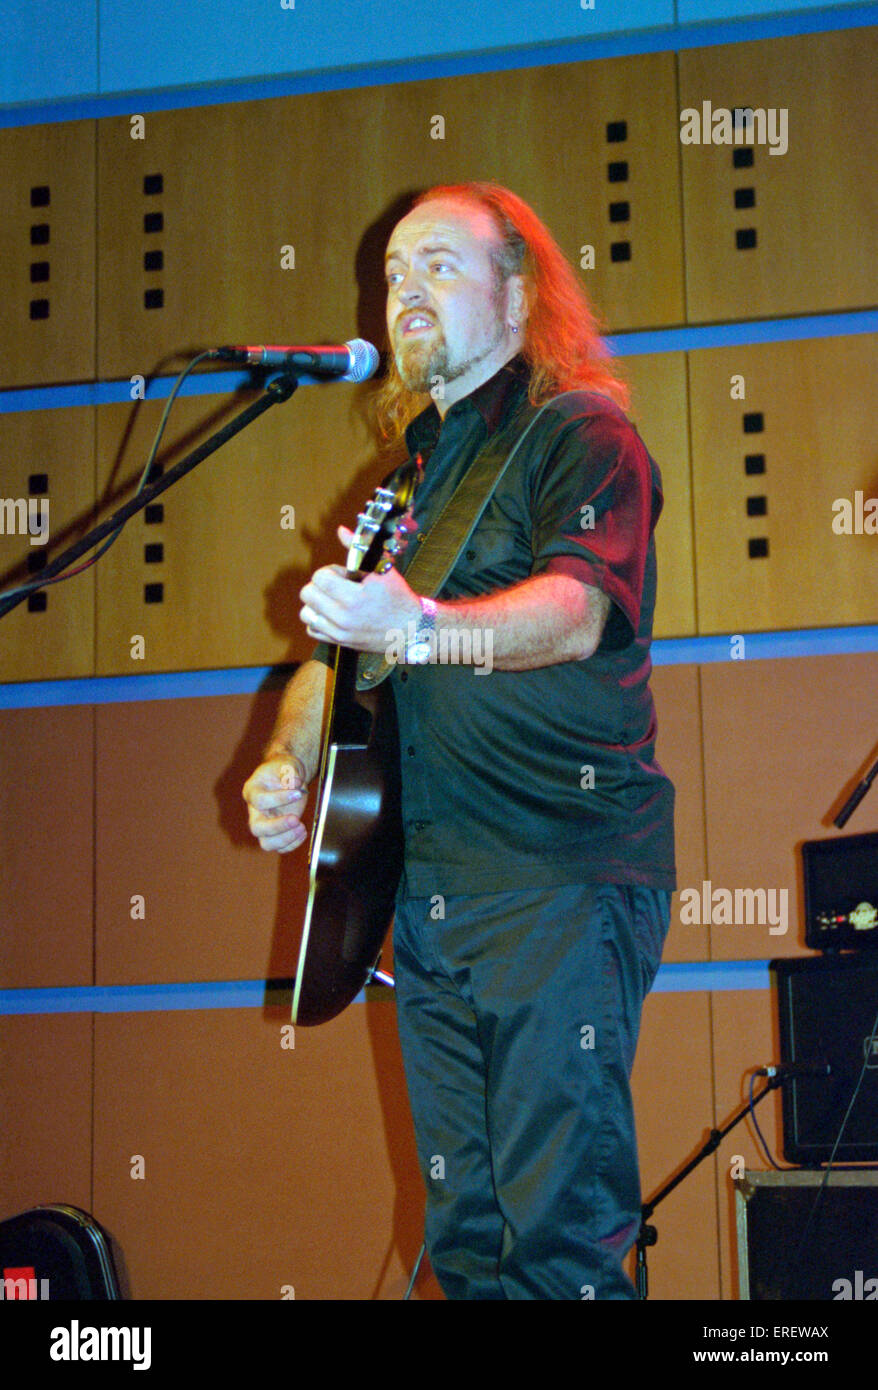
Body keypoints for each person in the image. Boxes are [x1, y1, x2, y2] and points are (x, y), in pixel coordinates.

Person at [242, 182, 675, 1300]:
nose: (403, 291)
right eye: (390, 274)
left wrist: (419, 627)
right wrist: (287, 760)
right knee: (470, 1244)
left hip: (556, 875)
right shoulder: (409, 485)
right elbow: (323, 667)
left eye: (437, 263)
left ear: (519, 291)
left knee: (558, 1240)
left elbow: (576, 611)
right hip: (432, 905)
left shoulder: (580, 432)